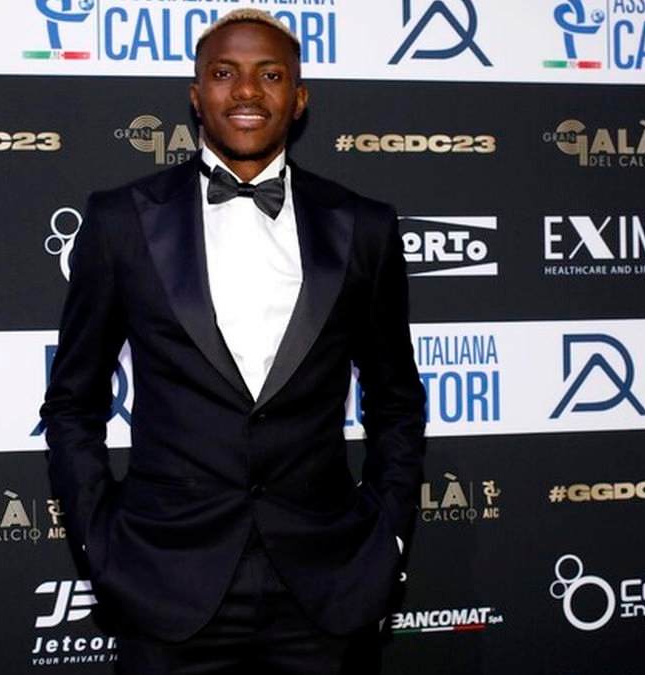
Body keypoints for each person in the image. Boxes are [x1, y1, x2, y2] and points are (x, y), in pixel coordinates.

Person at [39, 9, 425, 674]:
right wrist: (102, 545)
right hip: (165, 586)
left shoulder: (363, 226)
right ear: (197, 94)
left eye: (270, 75)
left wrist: (385, 535)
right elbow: (73, 403)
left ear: (298, 99)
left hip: (326, 588)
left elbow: (396, 400)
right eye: (224, 73)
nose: (246, 90)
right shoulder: (121, 220)